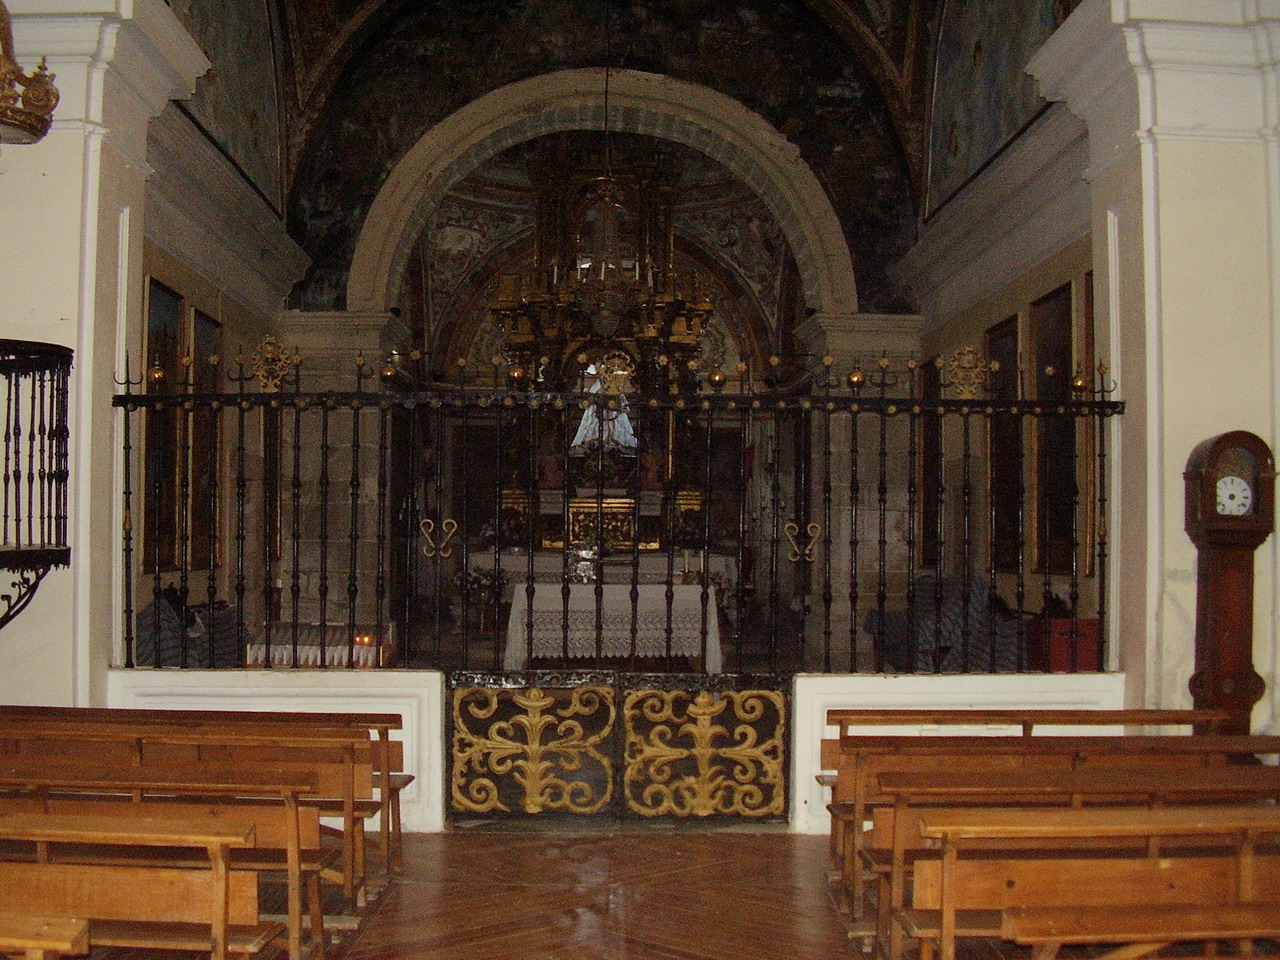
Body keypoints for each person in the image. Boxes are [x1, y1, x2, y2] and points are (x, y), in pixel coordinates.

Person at [570, 360, 638, 456]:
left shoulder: (615, 383)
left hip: (614, 414)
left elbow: (620, 400)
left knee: (616, 430)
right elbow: (591, 397)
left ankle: (616, 446)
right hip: (597, 413)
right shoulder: (598, 384)